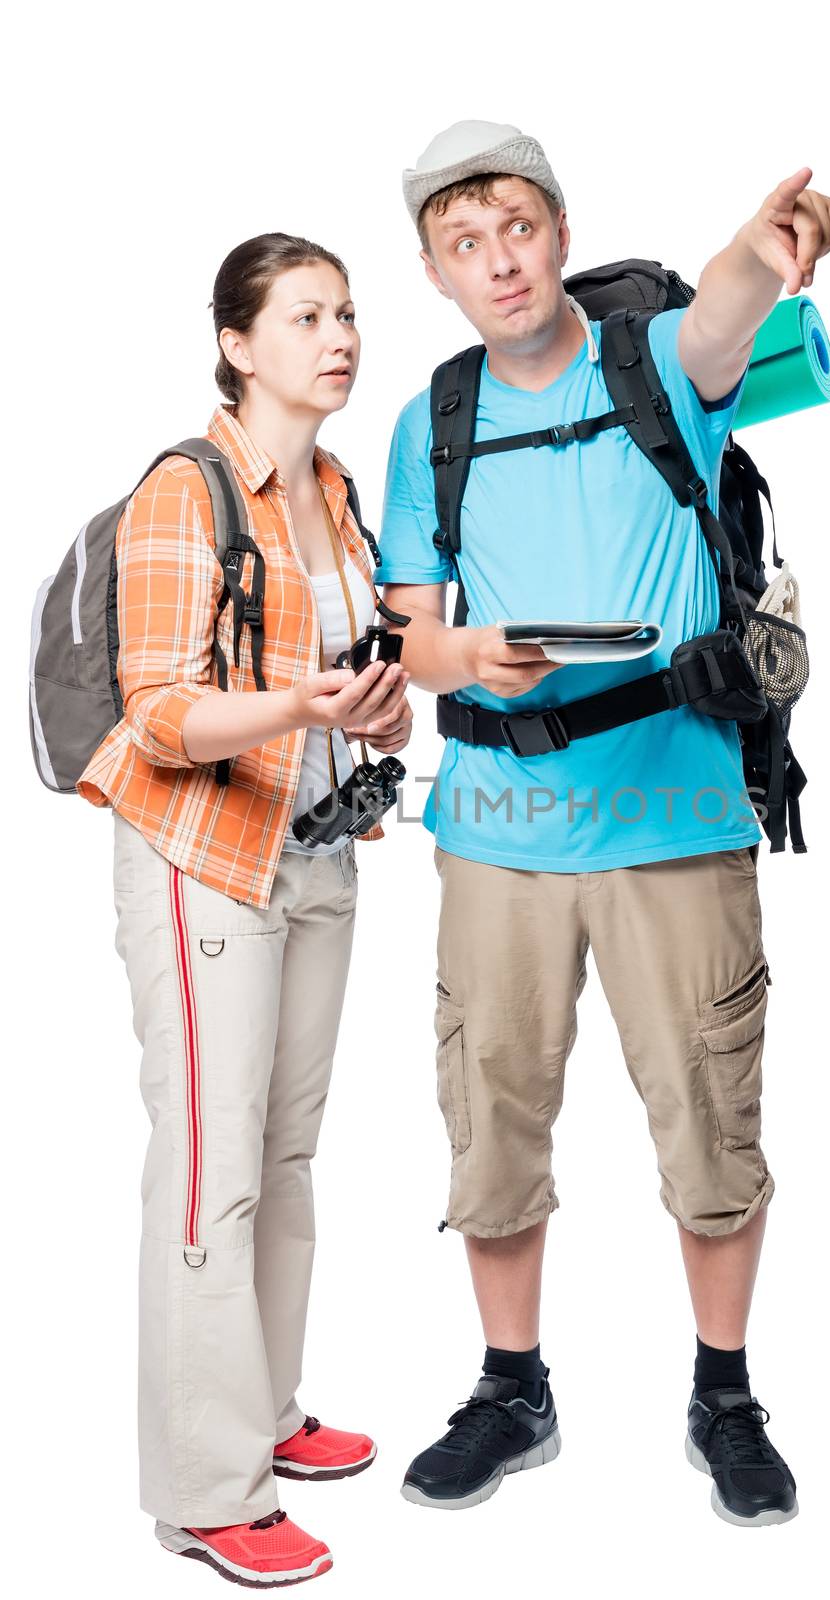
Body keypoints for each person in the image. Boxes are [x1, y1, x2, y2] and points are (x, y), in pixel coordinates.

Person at [377, 122, 830, 1525]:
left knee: (709, 1119)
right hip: (497, 830)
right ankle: (512, 1389)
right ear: (439, 274)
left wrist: (769, 254)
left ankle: (724, 1390)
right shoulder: (432, 417)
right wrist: (474, 659)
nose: (498, 260)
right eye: (465, 245)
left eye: (516, 228)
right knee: (492, 1122)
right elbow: (416, 636)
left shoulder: (657, 366)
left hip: (677, 819)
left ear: (561, 233)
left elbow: (730, 311)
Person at [77, 233, 413, 1585]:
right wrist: (299, 705)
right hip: (202, 856)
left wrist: (373, 709)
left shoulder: (332, 491)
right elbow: (159, 713)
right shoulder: (184, 489)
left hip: (318, 850)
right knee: (210, 1171)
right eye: (305, 316)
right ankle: (209, 1490)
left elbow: (351, 666)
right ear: (237, 343)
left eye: (347, 314)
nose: (338, 336)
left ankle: (264, 1413)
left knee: (285, 1153)